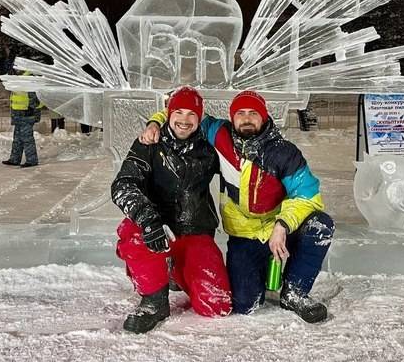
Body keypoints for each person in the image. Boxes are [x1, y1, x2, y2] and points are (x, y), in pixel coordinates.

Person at [141, 90, 334, 323]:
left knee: (320, 225)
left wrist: (282, 225)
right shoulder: (219, 134)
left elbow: (308, 195)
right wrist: (155, 122)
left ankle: (295, 291)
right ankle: (263, 267)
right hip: (244, 234)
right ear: (232, 117)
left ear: (263, 117)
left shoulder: (284, 152)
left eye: (253, 113)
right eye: (240, 113)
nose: (246, 118)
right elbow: (185, 115)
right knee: (245, 304)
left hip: (279, 229)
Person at [111, 86, 231, 334]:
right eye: (178, 112)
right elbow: (123, 184)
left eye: (191, 114)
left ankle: (175, 270)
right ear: (168, 113)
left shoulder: (210, 147)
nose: (184, 120)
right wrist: (147, 219)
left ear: (200, 118)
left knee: (216, 306)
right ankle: (154, 301)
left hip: (194, 229)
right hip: (156, 227)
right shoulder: (149, 142)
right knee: (134, 234)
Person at [2, 75, 41, 167]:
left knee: (27, 139)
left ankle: (32, 160)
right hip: (18, 114)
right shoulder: (18, 78)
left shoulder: (28, 79)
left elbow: (34, 99)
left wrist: (33, 112)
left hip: (26, 114)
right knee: (17, 138)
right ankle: (15, 159)